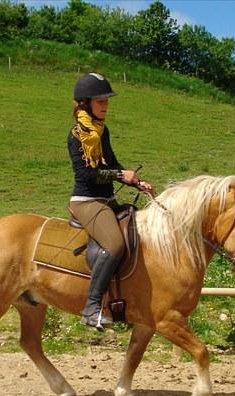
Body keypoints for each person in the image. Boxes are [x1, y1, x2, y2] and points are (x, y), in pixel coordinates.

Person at [67, 72, 153, 330]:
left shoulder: (102, 132)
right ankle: (92, 306)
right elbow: (85, 173)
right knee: (115, 244)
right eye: (100, 100)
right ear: (85, 103)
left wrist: (135, 180)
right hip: (86, 200)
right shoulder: (77, 135)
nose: (105, 105)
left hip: (105, 199)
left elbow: (112, 164)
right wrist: (118, 175)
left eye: (107, 100)